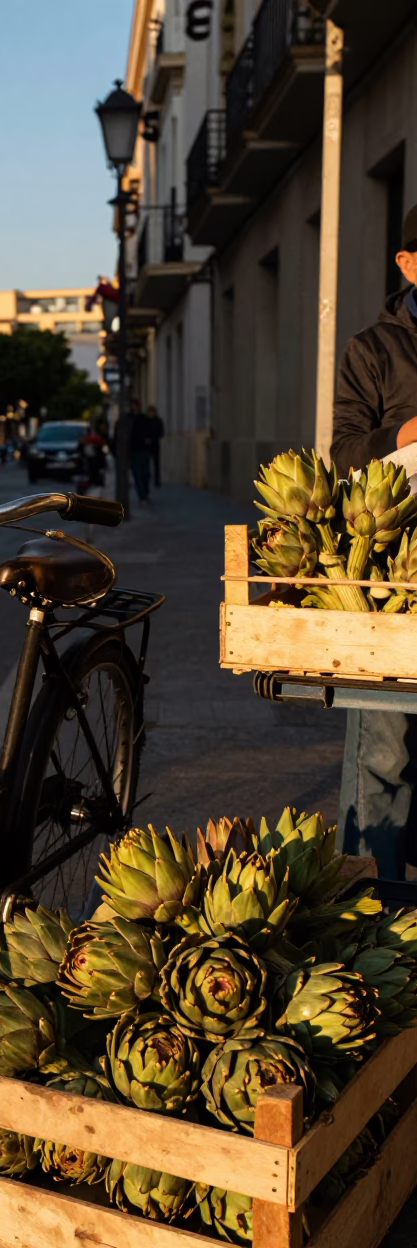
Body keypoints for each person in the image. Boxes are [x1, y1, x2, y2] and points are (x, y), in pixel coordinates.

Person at [331, 204, 417, 880]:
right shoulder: (372, 349)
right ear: (408, 264)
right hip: (393, 570)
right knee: (385, 749)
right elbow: (343, 453)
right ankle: (374, 911)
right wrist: (401, 438)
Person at [128, 400, 153, 506]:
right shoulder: (128, 418)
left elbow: (151, 431)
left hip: (143, 449)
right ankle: (142, 496)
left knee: (145, 473)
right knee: (138, 474)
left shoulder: (143, 418)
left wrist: (148, 440)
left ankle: (144, 493)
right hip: (134, 450)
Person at [147, 405, 165, 487]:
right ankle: (148, 479)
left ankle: (156, 480)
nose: (151, 414)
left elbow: (161, 432)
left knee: (156, 464)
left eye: (152, 412)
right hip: (147, 445)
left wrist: (157, 438)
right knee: (147, 463)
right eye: (150, 412)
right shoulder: (146, 421)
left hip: (155, 444)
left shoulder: (158, 421)